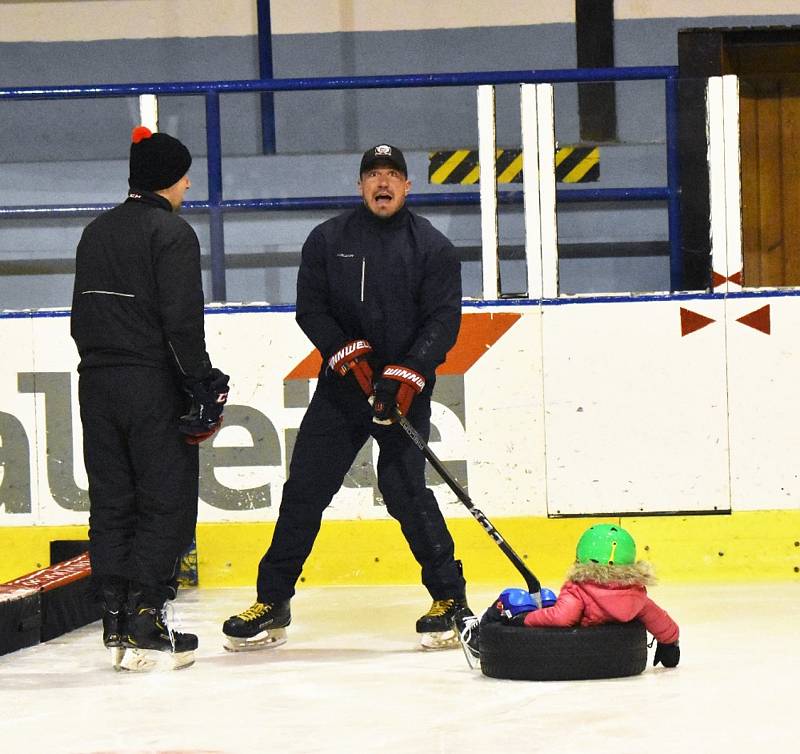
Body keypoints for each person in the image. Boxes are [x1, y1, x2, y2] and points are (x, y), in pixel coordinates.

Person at [223, 143, 471, 651]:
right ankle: (272, 600)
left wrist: (406, 374)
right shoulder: (327, 239)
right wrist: (345, 352)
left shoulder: (433, 247)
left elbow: (443, 321)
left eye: (392, 175)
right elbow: (309, 309)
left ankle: (450, 597)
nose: (383, 183)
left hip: (401, 391)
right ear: (360, 185)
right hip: (342, 388)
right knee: (305, 490)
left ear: (408, 186)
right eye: (373, 174)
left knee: (404, 489)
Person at [71, 126, 229, 671]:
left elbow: (79, 319)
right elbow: (181, 323)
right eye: (184, 173)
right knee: (164, 498)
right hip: (149, 384)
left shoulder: (95, 232)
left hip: (95, 382)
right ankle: (146, 617)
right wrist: (202, 386)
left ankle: (114, 620)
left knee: (112, 499)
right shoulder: (172, 233)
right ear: (168, 178)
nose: (188, 183)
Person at [457, 523, 680, 669]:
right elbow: (660, 620)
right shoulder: (636, 594)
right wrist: (670, 645)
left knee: (514, 598)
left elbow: (563, 617)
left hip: (573, 641)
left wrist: (523, 620)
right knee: (545, 597)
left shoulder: (580, 588)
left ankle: (482, 637)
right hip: (603, 648)